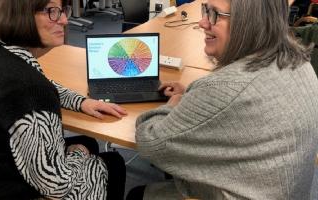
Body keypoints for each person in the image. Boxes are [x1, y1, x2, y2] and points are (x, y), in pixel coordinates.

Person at [127, 0, 318, 199]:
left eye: (214, 14)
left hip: (248, 189)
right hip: (282, 187)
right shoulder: (300, 62)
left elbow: (150, 143)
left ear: (248, 22)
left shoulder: (224, 89)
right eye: (206, 10)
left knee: (136, 194)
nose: (202, 23)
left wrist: (174, 103)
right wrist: (195, 99)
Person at [0, 0, 127, 199]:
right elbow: (55, 185)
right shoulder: (29, 91)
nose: (64, 20)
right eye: (52, 12)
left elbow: (42, 83)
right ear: (22, 16)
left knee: (89, 142)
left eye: (62, 11)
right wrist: (78, 153)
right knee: (113, 164)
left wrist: (81, 102)